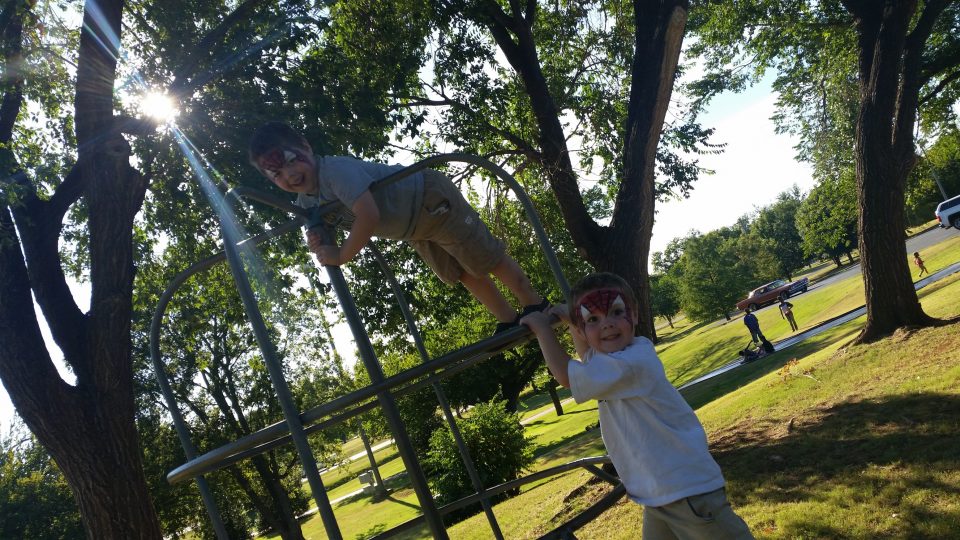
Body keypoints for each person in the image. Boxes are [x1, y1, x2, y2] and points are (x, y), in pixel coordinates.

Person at [248, 122, 548, 333]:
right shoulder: (306, 202)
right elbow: (323, 230)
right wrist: (318, 239)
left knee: (483, 257)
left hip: (428, 199)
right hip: (415, 228)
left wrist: (341, 255)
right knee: (460, 271)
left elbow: (368, 215)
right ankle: (508, 320)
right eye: (276, 175)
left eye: (290, 162)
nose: (289, 175)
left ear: (305, 147)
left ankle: (535, 304)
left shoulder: (335, 171)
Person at [521, 273, 753, 539]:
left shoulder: (632, 363)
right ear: (583, 329)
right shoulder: (612, 360)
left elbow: (566, 376)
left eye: (616, 312)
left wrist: (543, 330)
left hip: (689, 492)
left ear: (634, 314)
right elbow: (588, 356)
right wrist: (572, 322)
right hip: (658, 495)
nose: (607, 324)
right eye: (593, 319)